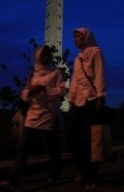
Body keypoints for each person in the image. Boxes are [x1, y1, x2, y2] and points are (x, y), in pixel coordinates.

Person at [1, 45, 67, 187]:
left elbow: (62, 90)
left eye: (48, 55)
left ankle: (55, 176)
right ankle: (13, 179)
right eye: (43, 54)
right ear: (37, 56)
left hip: (49, 115)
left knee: (52, 148)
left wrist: (45, 89)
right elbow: (25, 92)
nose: (46, 57)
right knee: (24, 149)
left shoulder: (55, 72)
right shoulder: (33, 73)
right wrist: (29, 94)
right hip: (33, 116)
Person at [67, 28, 106, 191]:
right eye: (74, 37)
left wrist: (100, 97)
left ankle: (91, 177)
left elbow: (99, 75)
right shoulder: (77, 59)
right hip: (77, 103)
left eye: (78, 36)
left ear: (86, 37)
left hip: (91, 101)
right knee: (70, 137)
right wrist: (71, 100)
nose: (75, 39)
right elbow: (74, 82)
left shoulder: (96, 52)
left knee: (92, 141)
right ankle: (83, 170)